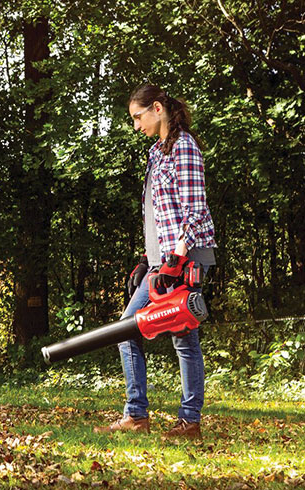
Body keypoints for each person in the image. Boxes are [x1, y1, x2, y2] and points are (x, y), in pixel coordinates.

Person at [94, 84, 217, 439]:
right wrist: (147, 259)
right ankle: (137, 415)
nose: (136, 125)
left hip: (186, 258)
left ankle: (189, 420)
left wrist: (176, 259)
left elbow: (195, 213)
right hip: (160, 261)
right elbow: (159, 215)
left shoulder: (185, 148)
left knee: (183, 338)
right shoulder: (156, 153)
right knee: (127, 329)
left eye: (138, 116)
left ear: (158, 108)